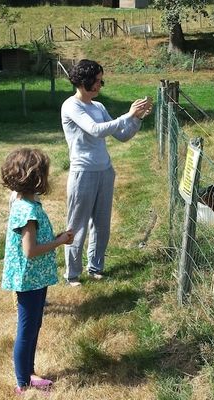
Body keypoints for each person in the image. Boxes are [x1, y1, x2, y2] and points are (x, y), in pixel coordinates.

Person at [61, 59, 152, 286]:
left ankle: (96, 267)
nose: (102, 84)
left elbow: (121, 134)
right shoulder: (71, 106)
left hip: (105, 171)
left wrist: (136, 118)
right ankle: (72, 274)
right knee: (77, 225)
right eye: (98, 80)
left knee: (102, 224)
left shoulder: (98, 107)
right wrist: (127, 115)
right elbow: (95, 130)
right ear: (85, 81)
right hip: (83, 174)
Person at [0, 148, 74, 394]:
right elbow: (30, 250)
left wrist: (53, 238)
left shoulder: (24, 203)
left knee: (33, 326)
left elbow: (32, 243)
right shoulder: (28, 211)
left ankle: (29, 373)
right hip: (29, 280)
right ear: (37, 177)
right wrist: (60, 241)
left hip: (35, 277)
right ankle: (22, 382)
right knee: (27, 329)